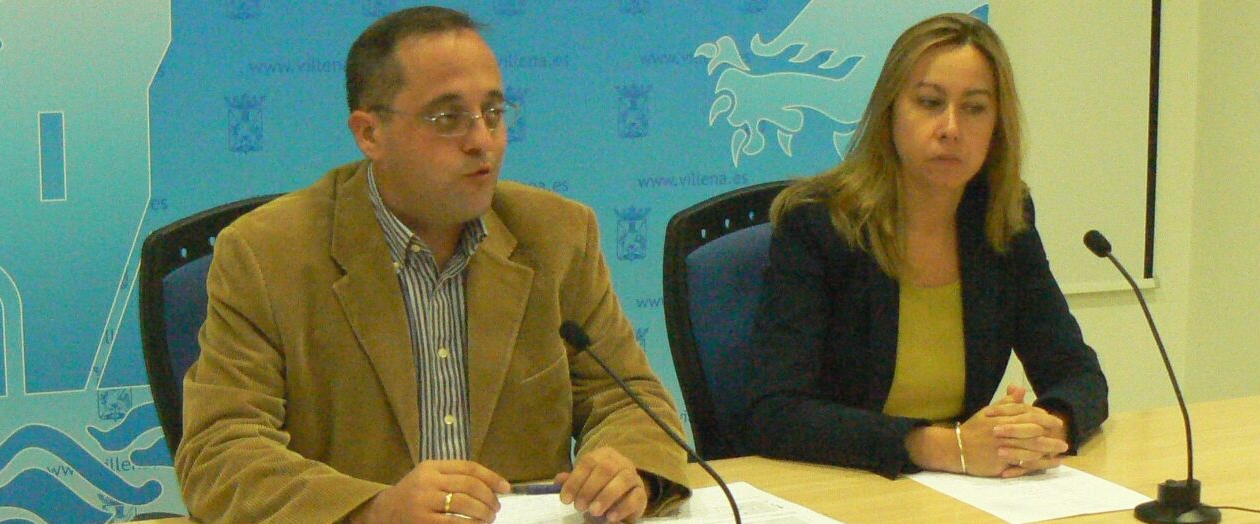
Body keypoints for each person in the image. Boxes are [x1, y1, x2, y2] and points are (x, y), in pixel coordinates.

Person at [173, 7, 689, 523]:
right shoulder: (266, 254)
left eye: (493, 113)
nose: (482, 141)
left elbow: (629, 399)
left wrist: (629, 469)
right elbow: (220, 453)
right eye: (448, 119)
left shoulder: (558, 235)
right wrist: (373, 510)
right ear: (369, 133)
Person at [743, 12, 1109, 480]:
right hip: (844, 482)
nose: (951, 128)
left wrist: (1044, 428)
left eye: (974, 108)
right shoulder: (820, 224)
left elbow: (1078, 374)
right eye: (930, 102)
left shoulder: (1002, 219)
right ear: (890, 112)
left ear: (997, 125)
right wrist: (945, 447)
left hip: (963, 491)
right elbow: (773, 412)